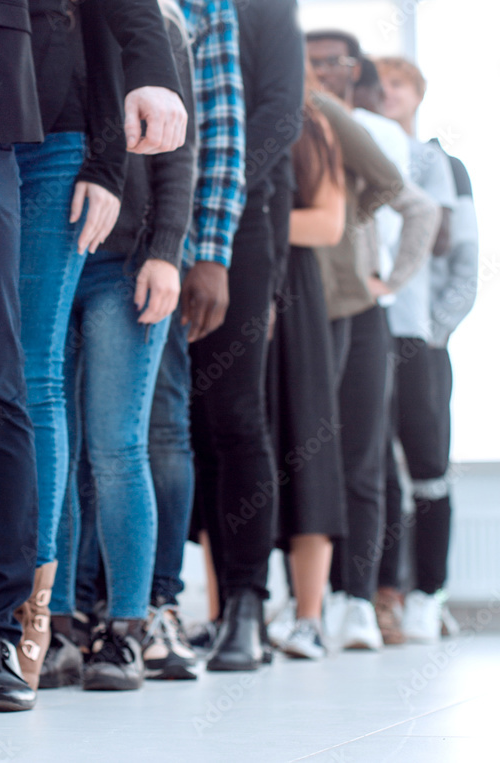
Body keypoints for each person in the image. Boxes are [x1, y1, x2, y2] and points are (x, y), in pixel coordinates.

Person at [0, 0, 189, 712]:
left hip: (60, 135)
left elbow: (122, 25)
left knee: (32, 375)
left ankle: (19, 617)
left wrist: (107, 159)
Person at [44, 0, 196, 691]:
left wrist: (166, 250)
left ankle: (127, 630)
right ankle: (61, 625)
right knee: (61, 445)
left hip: (125, 262)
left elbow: (178, 150)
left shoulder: (156, 27)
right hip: (54, 245)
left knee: (116, 445)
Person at [306, 29, 440, 652]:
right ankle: (319, 600)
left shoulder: (356, 125)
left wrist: (383, 277)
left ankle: (359, 598)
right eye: (312, 62)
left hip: (360, 311)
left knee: (362, 460)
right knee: (307, 460)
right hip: (302, 312)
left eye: (333, 63)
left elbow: (414, 206)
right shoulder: (284, 112)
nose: (322, 72)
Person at [187, 0, 303, 673]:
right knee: (187, 426)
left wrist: (214, 195)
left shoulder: (266, 10)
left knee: (235, 416)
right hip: (162, 218)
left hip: (241, 225)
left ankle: (249, 603)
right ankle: (211, 601)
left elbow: (280, 113)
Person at [142, 0, 247, 674]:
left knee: (158, 428)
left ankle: (159, 605)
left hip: (165, 235)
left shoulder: (207, 8)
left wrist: (206, 250)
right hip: (70, 214)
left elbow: (222, 127)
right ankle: (84, 607)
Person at [376, 56, 473, 644]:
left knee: (428, 465)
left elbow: (465, 263)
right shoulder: (365, 153)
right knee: (374, 466)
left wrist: (436, 330)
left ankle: (427, 593)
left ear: (417, 94)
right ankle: (382, 594)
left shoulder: (443, 165)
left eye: (397, 85)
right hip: (368, 332)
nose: (386, 93)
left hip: (422, 337)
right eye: (378, 84)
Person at [266, 64, 347, 661]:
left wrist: (259, 226)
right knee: (235, 446)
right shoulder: (227, 118)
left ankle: (311, 618)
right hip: (238, 288)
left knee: (310, 447)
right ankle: (227, 614)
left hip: (295, 294)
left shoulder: (310, 125)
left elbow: (328, 222)